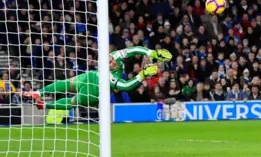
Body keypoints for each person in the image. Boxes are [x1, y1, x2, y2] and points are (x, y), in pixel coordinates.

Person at [24, 47, 172, 110]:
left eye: (111, 59)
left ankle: (45, 105)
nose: (112, 61)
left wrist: (152, 53)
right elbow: (126, 86)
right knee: (64, 84)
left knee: (71, 102)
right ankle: (38, 93)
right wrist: (143, 74)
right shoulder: (109, 74)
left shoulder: (115, 59)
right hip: (90, 78)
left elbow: (134, 50)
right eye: (109, 61)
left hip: (93, 91)